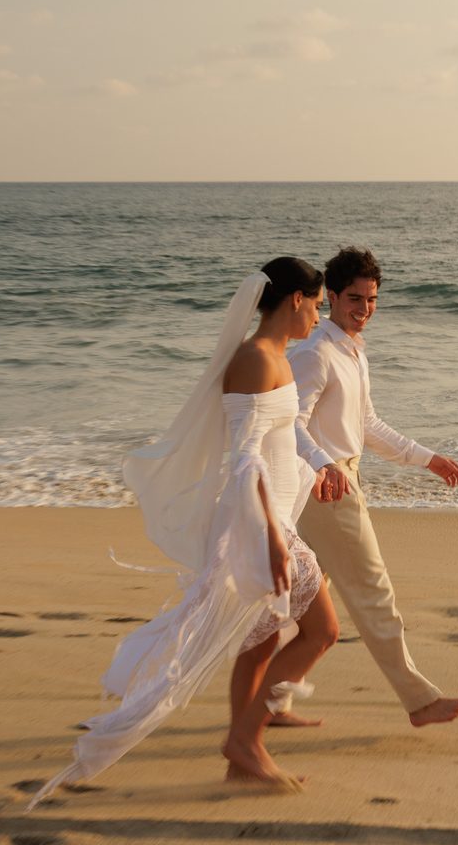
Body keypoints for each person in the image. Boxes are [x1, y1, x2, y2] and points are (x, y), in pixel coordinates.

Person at [28, 258, 341, 808]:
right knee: (322, 630)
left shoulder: (277, 359)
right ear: (295, 299)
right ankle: (242, 741)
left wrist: (317, 470)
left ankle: (244, 753)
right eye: (317, 305)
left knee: (262, 636)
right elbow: (245, 461)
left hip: (277, 515)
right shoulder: (252, 361)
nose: (320, 316)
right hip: (256, 518)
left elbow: (284, 435)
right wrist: (270, 534)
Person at [279, 246, 458, 729]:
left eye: (371, 300)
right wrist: (326, 467)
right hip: (327, 490)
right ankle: (419, 700)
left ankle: (267, 704)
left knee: (303, 612)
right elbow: (289, 424)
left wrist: (427, 458)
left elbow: (367, 424)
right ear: (330, 297)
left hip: (338, 478)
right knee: (373, 592)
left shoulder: (352, 352)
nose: (363, 309)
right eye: (354, 299)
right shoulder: (315, 354)